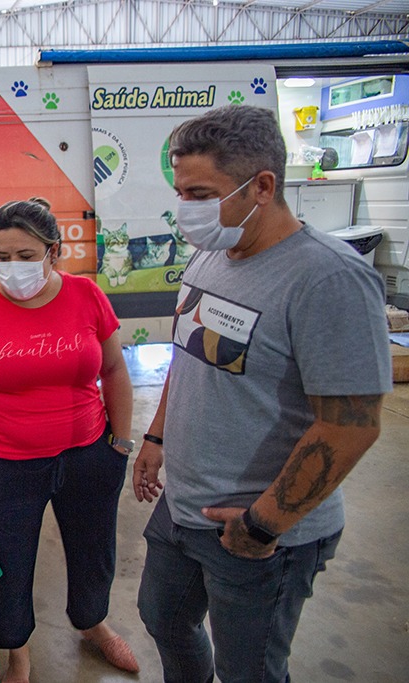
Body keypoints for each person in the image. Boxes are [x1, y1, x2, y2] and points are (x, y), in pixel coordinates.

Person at [132, 105, 391, 683]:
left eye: (200, 193)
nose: (186, 210)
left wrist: (263, 524)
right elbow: (190, 351)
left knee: (249, 668)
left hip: (256, 528)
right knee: (163, 619)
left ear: (263, 186)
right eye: (181, 193)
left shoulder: (327, 279)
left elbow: (351, 424)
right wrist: (156, 436)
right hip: (184, 506)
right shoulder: (214, 251)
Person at [0, 197, 140, 682]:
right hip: (5, 464)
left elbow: (114, 368)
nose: (12, 268)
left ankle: (93, 624)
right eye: (2, 256)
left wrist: (121, 445)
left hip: (89, 455)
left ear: (53, 253)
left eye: (25, 256)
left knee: (94, 551)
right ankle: (17, 653)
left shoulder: (87, 296)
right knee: (9, 566)